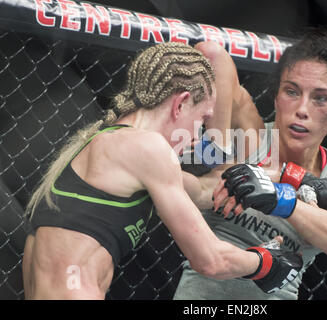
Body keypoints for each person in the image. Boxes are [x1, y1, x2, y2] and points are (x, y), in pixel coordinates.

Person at [21, 42, 303, 300]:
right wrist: (266, 261)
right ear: (180, 104)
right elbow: (210, 260)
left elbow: (204, 190)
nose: (197, 135)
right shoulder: (148, 148)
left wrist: (278, 177)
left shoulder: (110, 144)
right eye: (202, 119)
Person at [173, 27, 327, 300]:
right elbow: (209, 53)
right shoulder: (250, 138)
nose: (302, 109)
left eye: (321, 98)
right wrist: (218, 144)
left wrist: (280, 189)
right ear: (277, 96)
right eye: (292, 92)